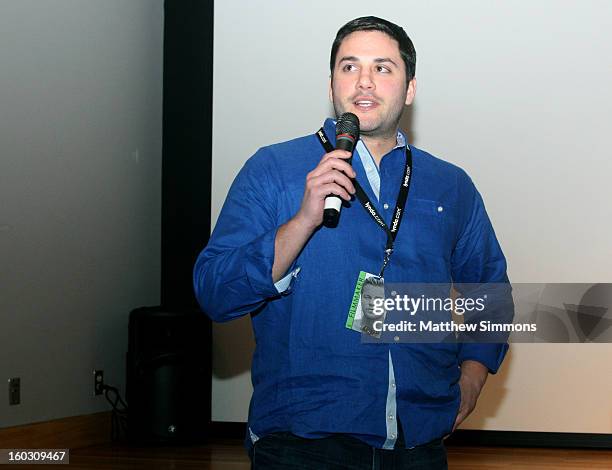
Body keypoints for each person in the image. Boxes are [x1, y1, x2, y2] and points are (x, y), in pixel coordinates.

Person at [194, 16, 510, 469]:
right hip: (302, 440)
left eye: (383, 68)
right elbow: (214, 292)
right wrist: (302, 220)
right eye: (349, 67)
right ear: (331, 84)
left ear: (410, 88)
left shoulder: (450, 185)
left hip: (419, 443)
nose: (364, 81)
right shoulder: (273, 169)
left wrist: (474, 377)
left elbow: (492, 293)